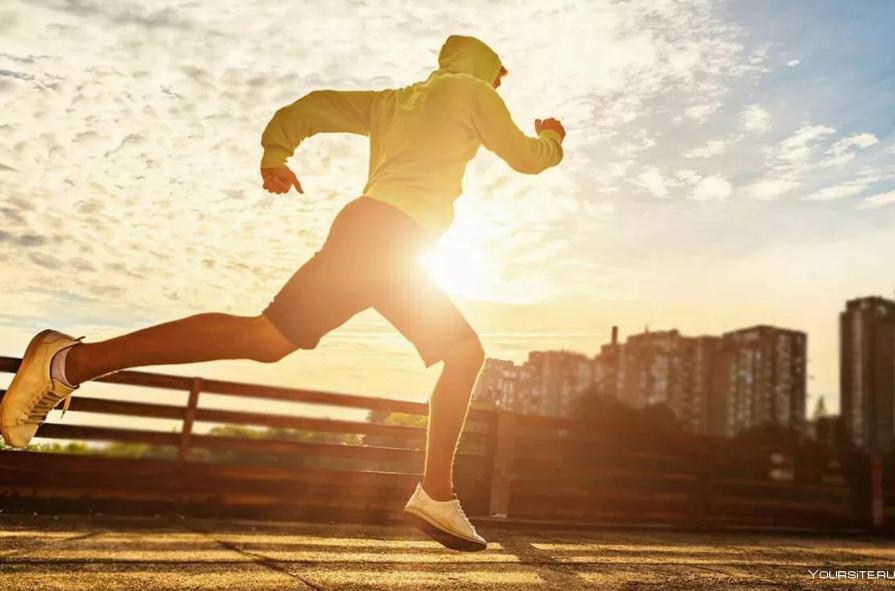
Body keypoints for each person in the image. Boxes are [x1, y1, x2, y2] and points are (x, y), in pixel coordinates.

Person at [0, 34, 565, 551]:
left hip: (374, 235)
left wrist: (277, 152)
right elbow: (525, 157)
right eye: (497, 81)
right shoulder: (473, 91)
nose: (496, 91)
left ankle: (72, 361)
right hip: (389, 240)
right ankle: (69, 362)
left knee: (270, 339)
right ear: (486, 71)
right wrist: (551, 138)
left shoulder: (396, 100)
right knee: (454, 351)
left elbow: (312, 106)